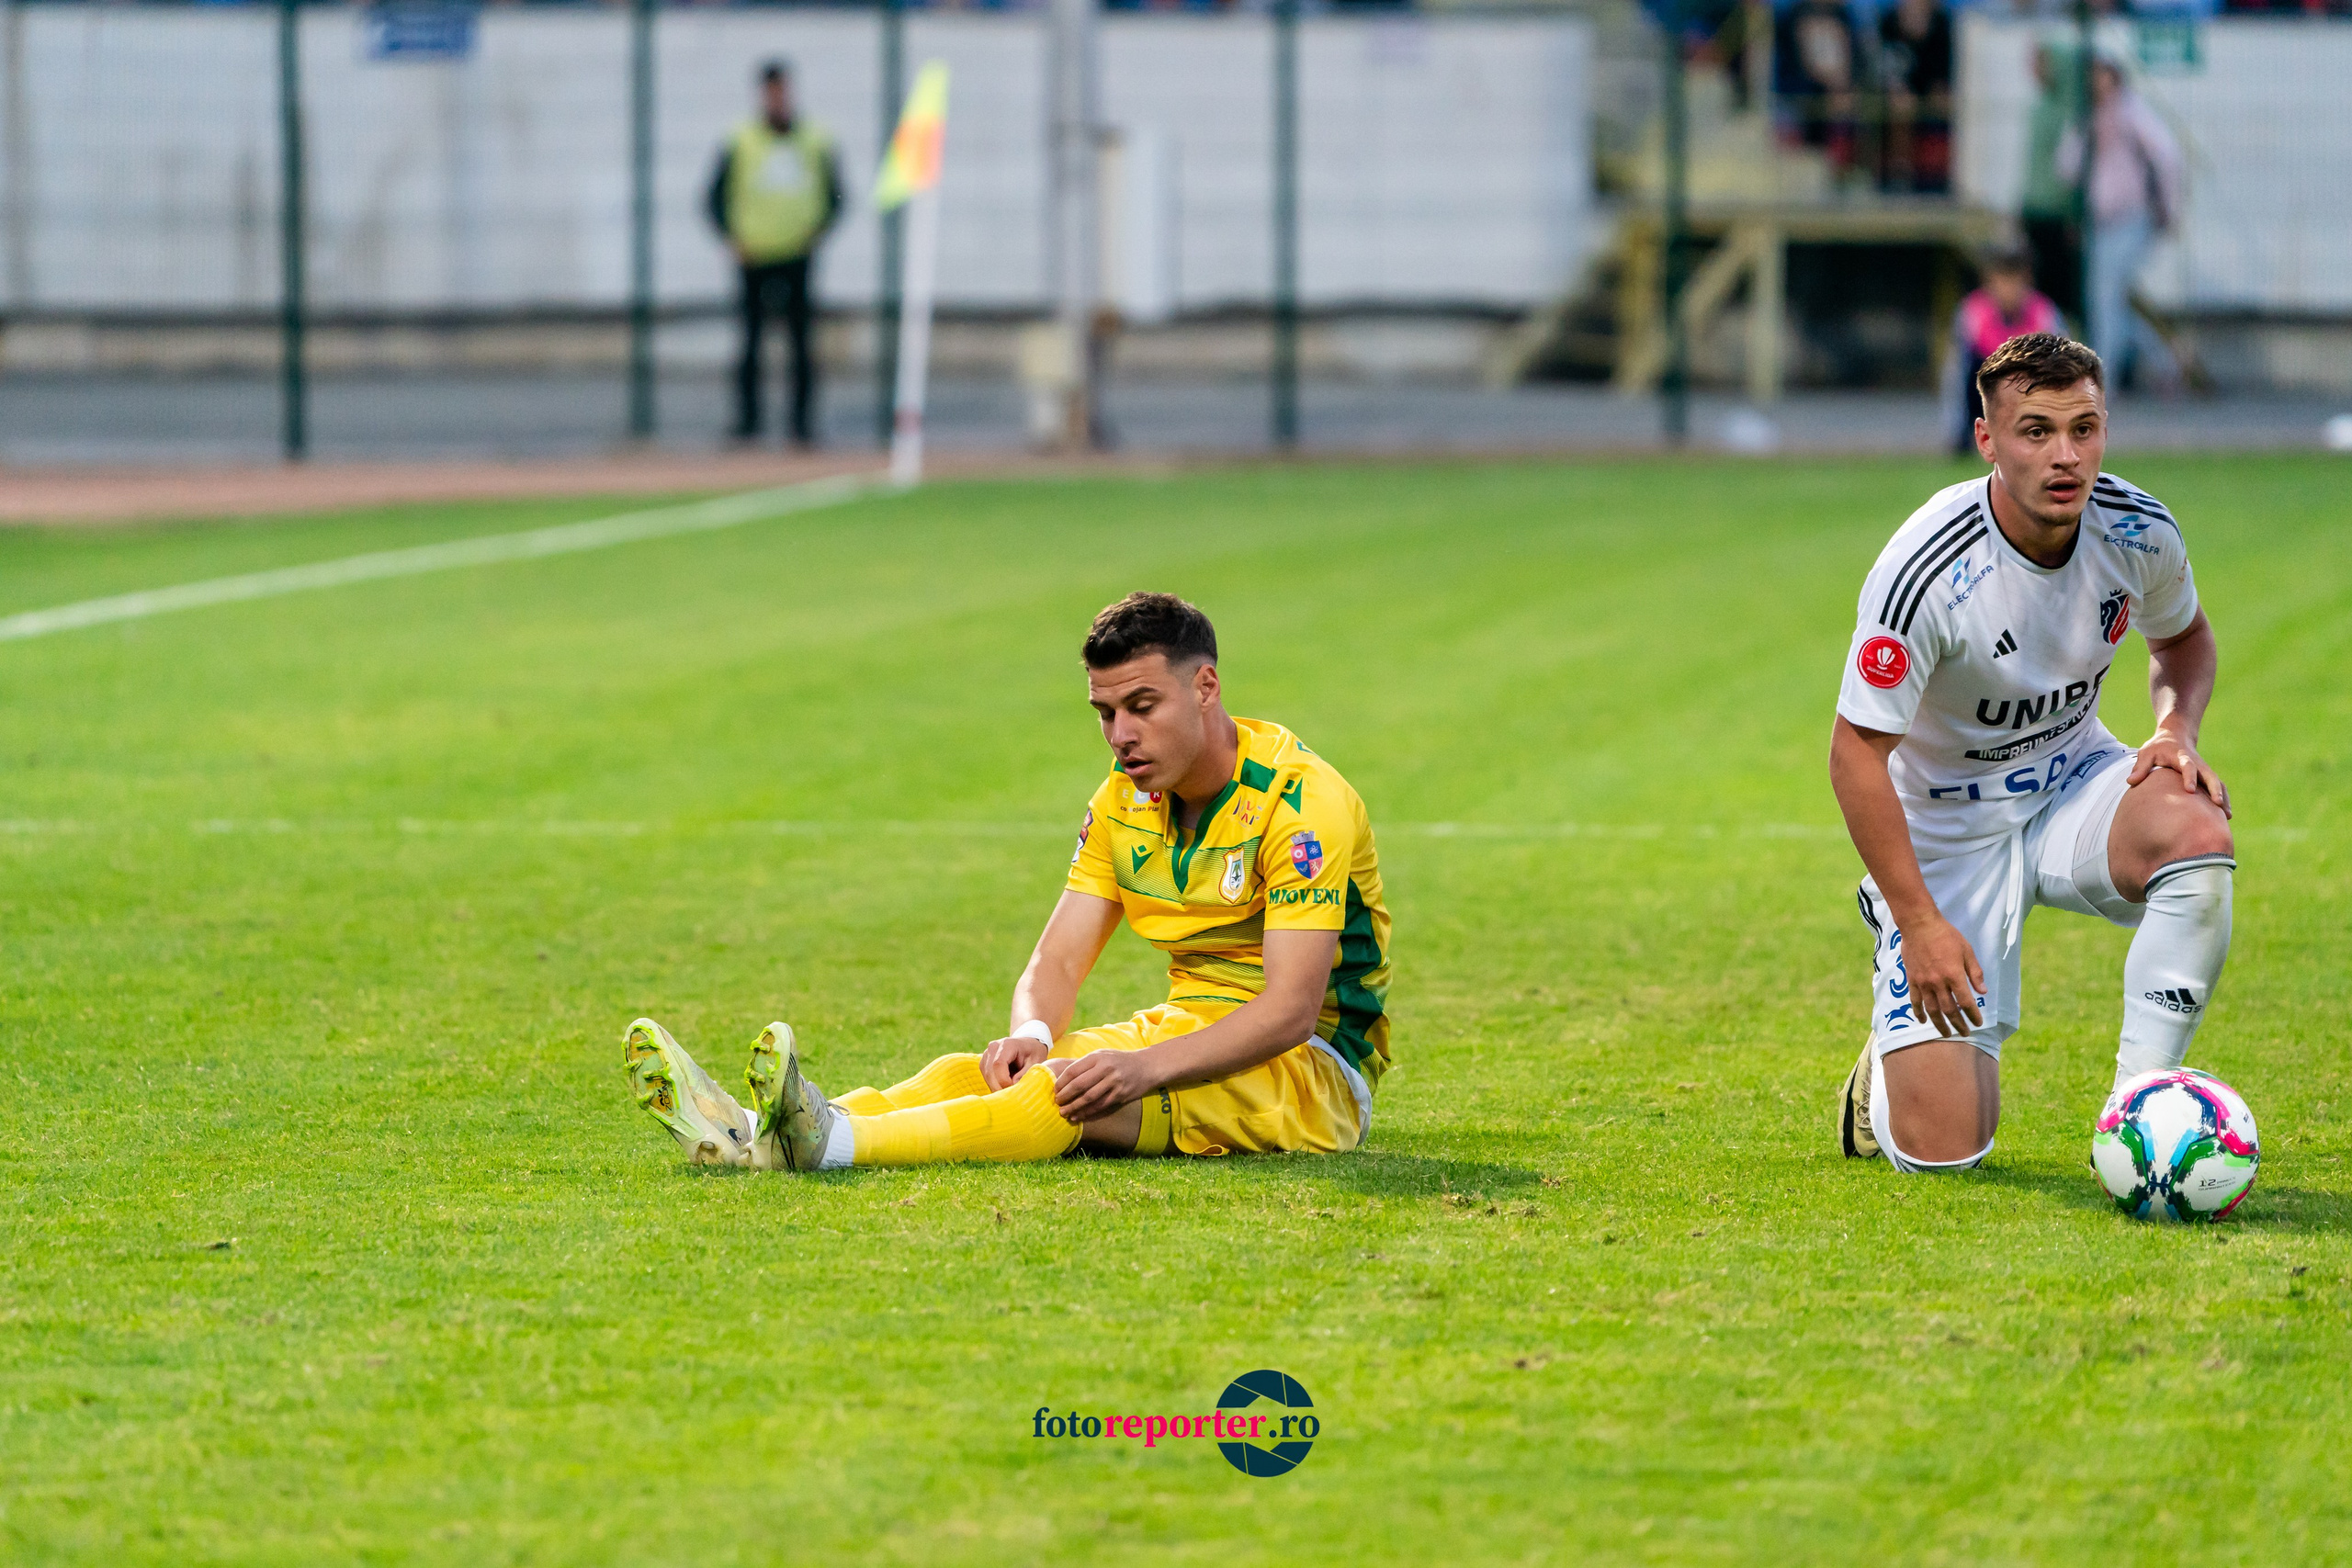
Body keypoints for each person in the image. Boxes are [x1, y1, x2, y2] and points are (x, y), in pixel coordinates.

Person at [621, 592, 1394, 1174]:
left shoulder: (1301, 802)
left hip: (1315, 1073)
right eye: (1104, 712)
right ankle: (758, 1138)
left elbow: (1291, 1010)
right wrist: (1030, 1033)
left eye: (1141, 706)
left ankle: (827, 1144)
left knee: (1059, 1095)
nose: (1120, 734)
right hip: (1186, 1031)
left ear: (1206, 687)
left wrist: (1141, 1066)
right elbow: (1056, 962)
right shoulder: (1122, 800)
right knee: (990, 1069)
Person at [1831, 333, 2233, 1173]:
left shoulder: (2136, 527)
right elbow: (1856, 756)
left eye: (2084, 429)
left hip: (2072, 779)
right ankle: (1884, 1069)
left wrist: (2172, 732)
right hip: (1948, 836)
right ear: (1987, 439)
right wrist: (1920, 923)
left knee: (2196, 830)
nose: (2066, 455)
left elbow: (2185, 640)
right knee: (1944, 1154)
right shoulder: (1927, 567)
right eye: (2036, 430)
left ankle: (2137, 1117)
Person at [706, 60, 842, 448]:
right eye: (772, 91)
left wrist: (817, 232)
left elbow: (835, 195)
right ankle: (749, 423)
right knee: (750, 344)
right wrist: (732, 237)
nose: (778, 98)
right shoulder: (741, 139)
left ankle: (802, 425)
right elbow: (714, 197)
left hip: (798, 255)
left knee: (801, 346)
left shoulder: (814, 139)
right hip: (754, 256)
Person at [2055, 55, 2184, 391]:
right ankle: (2165, 363)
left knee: (2105, 296)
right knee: (2109, 300)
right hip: (2099, 222)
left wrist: (2168, 206)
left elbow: (2167, 154)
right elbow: (2066, 166)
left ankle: (2102, 381)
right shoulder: (2088, 117)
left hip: (2132, 216)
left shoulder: (2132, 113)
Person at [1939, 245, 2066, 455]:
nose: (2009, 289)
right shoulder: (1972, 313)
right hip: (1985, 395)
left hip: (2031, 396)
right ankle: (1963, 434)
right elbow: (1956, 375)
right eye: (2002, 279)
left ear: (2027, 280)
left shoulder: (2045, 314)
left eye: (2015, 280)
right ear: (1989, 281)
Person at [2018, 37, 2086, 323]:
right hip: (2035, 208)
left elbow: (2075, 168)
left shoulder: (2073, 111)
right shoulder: (2041, 106)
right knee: (2038, 290)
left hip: (2059, 213)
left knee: (2061, 291)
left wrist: (2074, 212)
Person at [1876, 0, 1953, 193]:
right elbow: (1886, 69)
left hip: (1932, 94)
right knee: (1900, 108)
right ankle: (1899, 176)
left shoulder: (1943, 23)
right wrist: (1896, 88)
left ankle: (1940, 179)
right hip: (1899, 96)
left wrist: (1940, 89)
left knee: (1946, 104)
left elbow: (1944, 73)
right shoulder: (1889, 22)